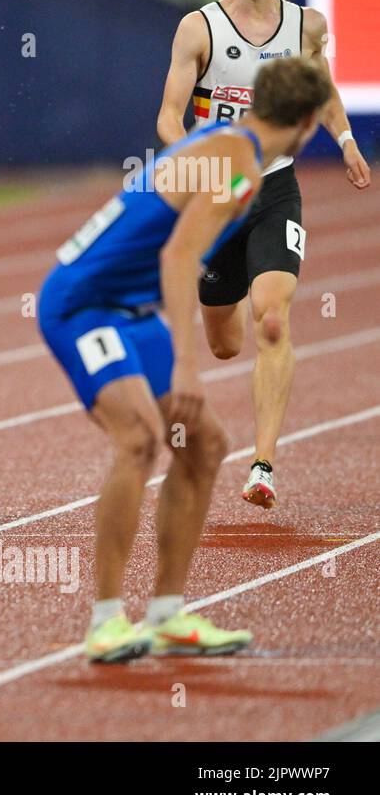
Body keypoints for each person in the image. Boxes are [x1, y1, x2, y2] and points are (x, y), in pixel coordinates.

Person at [40, 56, 331, 663]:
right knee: (141, 440)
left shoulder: (227, 143)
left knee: (204, 445)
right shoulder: (240, 165)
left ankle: (168, 615)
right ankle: (105, 622)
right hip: (83, 305)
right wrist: (186, 365)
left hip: (130, 307)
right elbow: (180, 257)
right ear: (307, 123)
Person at [155, 0, 371, 509]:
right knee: (224, 342)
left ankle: (263, 464)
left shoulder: (305, 26)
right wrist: (200, 155)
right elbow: (168, 116)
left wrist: (347, 140)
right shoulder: (198, 29)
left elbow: (322, 91)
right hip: (220, 197)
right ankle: (228, 298)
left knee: (272, 319)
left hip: (275, 187)